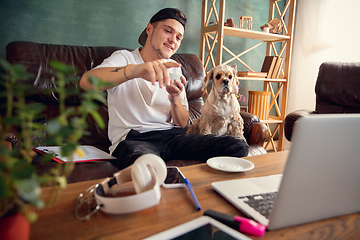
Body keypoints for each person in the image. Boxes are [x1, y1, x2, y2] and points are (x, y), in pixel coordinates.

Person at [80, 8, 248, 169]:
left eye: (178, 37)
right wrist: (134, 71)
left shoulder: (175, 68)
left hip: (173, 138)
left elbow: (182, 123)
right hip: (134, 140)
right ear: (149, 29)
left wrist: (175, 100)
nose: (173, 40)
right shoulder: (124, 58)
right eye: (168, 31)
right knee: (147, 166)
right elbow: (86, 82)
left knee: (237, 146)